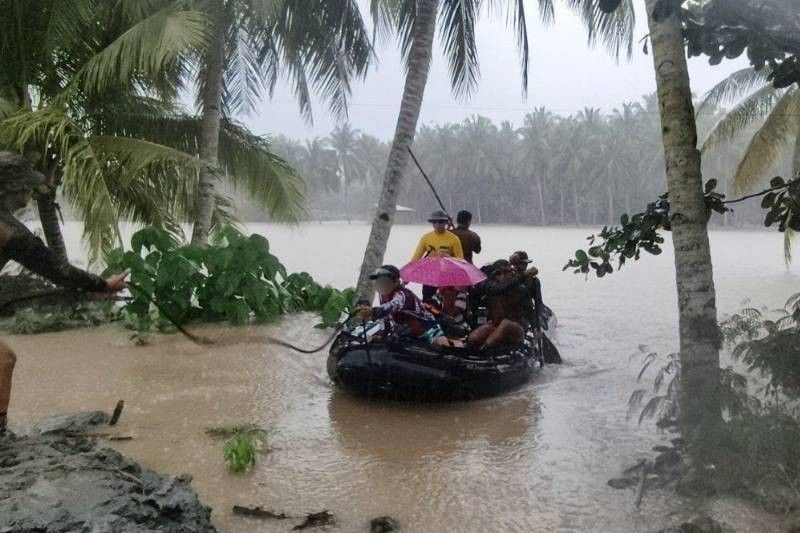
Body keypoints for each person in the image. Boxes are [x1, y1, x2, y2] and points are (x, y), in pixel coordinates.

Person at [0, 152, 128, 434]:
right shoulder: (8, 231)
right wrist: (103, 285)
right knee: (3, 360)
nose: (31, 191)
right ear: (12, 188)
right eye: (27, 185)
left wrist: (89, 291)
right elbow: (57, 271)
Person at [357, 265, 450, 347]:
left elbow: (393, 305)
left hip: (428, 329)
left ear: (396, 282)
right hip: (407, 332)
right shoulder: (383, 296)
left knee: (442, 346)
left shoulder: (403, 295)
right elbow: (386, 318)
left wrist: (373, 311)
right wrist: (381, 335)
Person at [467, 259, 539, 349]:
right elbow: (500, 288)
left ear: (511, 273)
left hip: (516, 330)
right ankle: (470, 348)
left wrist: (536, 328)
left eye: (506, 272)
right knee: (474, 337)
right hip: (496, 326)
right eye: (498, 273)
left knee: (506, 324)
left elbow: (530, 312)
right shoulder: (490, 287)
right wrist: (523, 276)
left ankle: (485, 349)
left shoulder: (520, 289)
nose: (502, 276)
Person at [411, 210, 464, 302]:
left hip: (447, 276)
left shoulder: (454, 239)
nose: (437, 224)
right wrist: (406, 277)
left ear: (446, 223)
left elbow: (461, 261)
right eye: (434, 222)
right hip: (430, 275)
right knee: (428, 301)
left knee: (446, 302)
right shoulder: (426, 238)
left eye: (440, 222)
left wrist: (448, 257)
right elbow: (416, 258)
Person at [509, 250, 550, 334]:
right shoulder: (508, 280)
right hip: (510, 314)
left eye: (525, 264)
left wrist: (537, 324)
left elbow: (538, 302)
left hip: (526, 313)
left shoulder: (534, 281)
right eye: (521, 264)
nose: (524, 266)